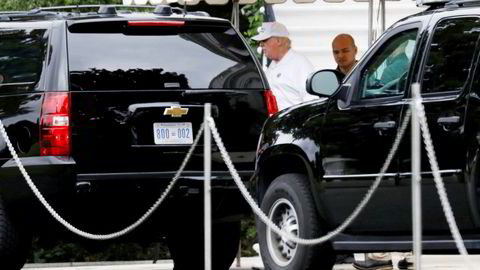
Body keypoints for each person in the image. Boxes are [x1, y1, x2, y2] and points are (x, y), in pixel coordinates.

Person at [252, 22, 317, 110]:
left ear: (278, 41)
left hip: (292, 120)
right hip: (276, 121)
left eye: (264, 40)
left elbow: (311, 100)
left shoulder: (300, 63)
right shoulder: (273, 63)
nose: (261, 44)